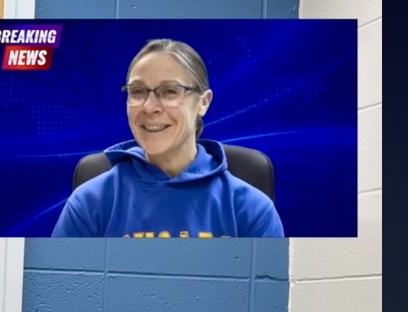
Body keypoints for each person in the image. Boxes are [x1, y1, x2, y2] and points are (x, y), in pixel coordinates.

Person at [51, 39, 285, 238]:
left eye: (170, 91)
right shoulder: (90, 202)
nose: (150, 107)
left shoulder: (251, 210)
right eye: (138, 91)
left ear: (203, 102)